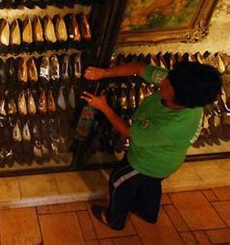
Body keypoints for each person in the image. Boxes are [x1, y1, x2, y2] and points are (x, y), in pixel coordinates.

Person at [81, 61, 222, 230]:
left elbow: (127, 132)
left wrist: (103, 107)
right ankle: (148, 213)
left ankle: (114, 219)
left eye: (167, 85)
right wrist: (103, 72)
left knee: (119, 181)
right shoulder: (185, 90)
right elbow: (140, 68)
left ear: (179, 101)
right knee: (151, 185)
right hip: (168, 162)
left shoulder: (168, 126)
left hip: (147, 163)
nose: (162, 82)